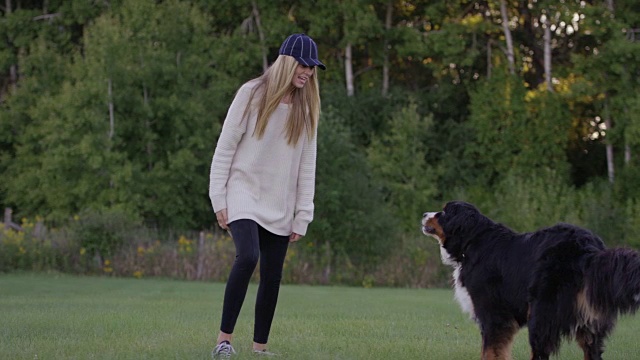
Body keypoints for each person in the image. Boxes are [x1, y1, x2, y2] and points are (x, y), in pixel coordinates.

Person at [209, 33, 325, 358]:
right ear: (287, 62)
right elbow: (225, 147)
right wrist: (219, 198)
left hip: (281, 202)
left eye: (312, 68)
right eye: (304, 65)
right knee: (247, 257)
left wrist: (303, 214)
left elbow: (307, 165)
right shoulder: (251, 94)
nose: (308, 73)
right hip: (243, 191)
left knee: (272, 275)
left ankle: (260, 348)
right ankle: (224, 341)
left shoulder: (306, 107)